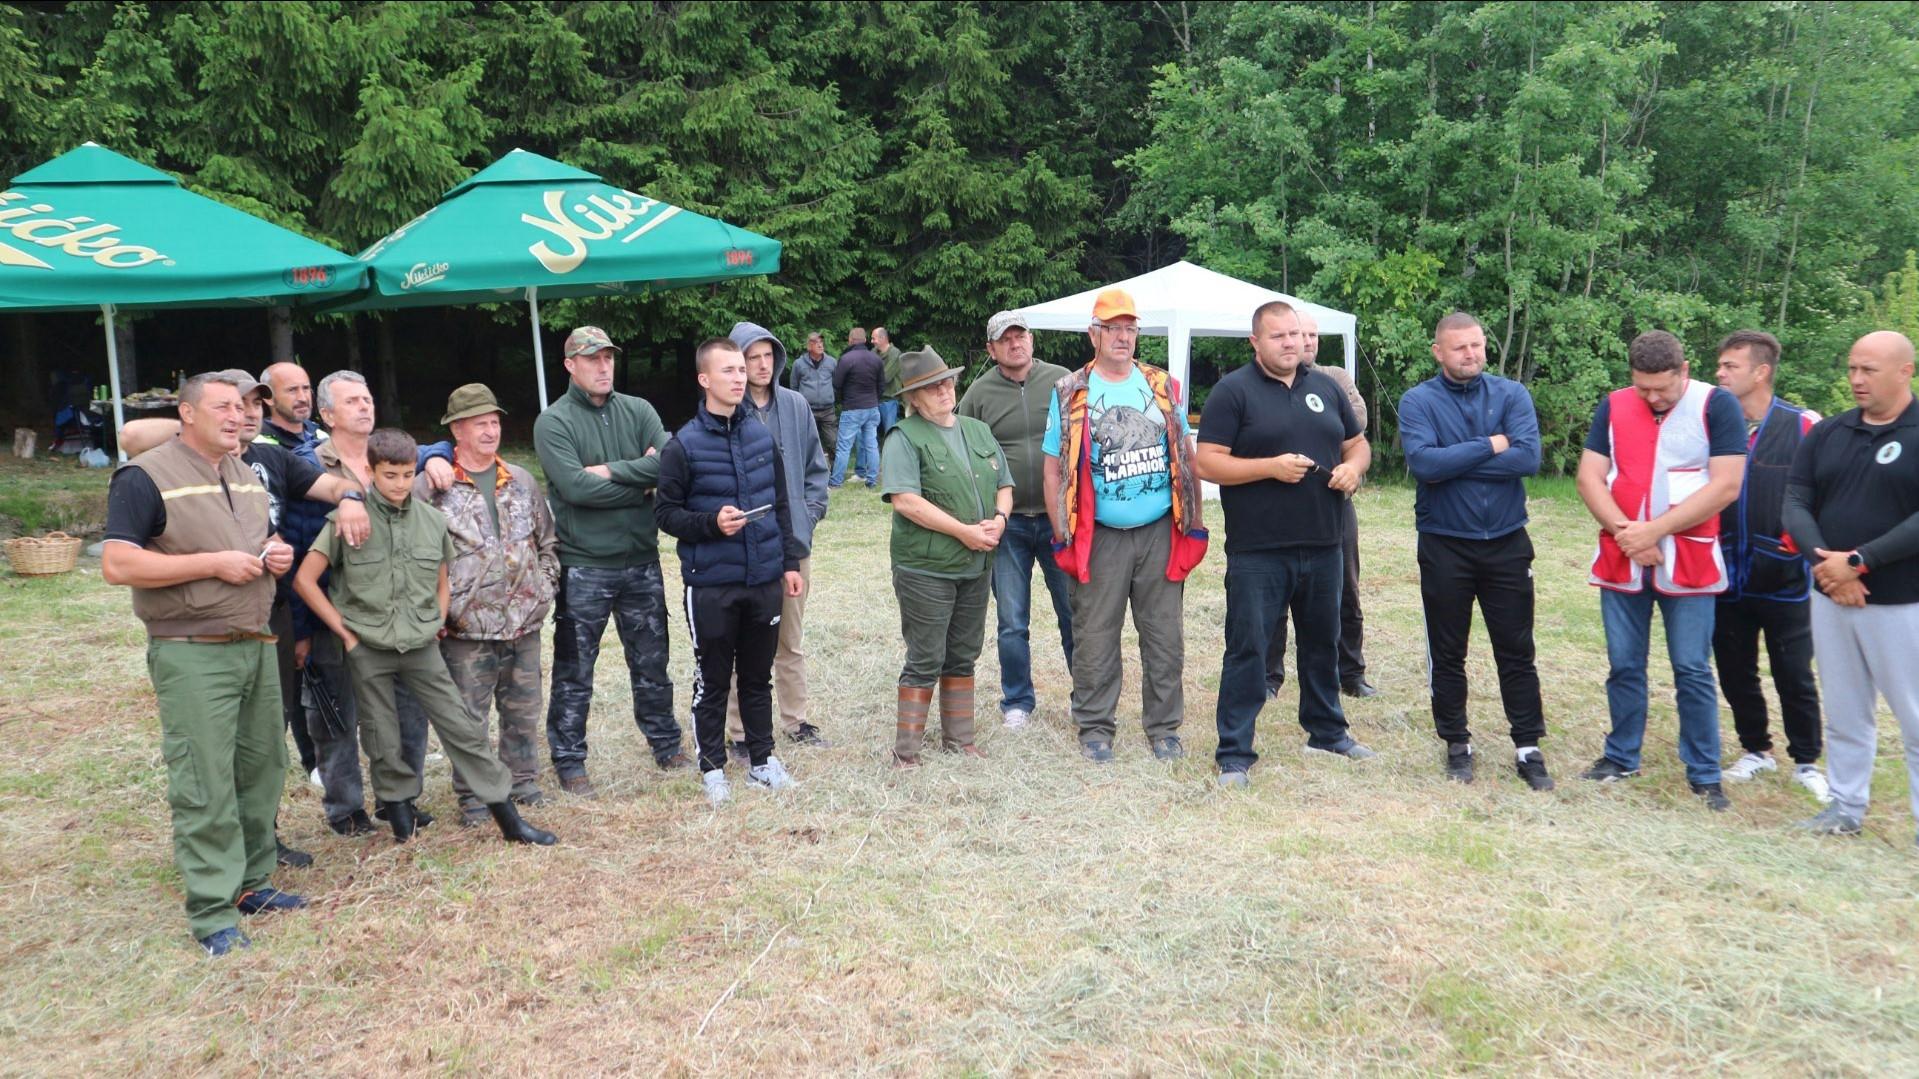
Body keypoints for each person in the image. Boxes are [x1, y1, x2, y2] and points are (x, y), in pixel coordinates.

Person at [117, 374, 374, 863]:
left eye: (255, 404)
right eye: (232, 406)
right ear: (197, 412)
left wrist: (350, 499)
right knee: (217, 748)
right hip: (198, 627)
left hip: (268, 614)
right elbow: (130, 439)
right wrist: (198, 425)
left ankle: (263, 842)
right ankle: (226, 857)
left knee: (264, 738)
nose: (246, 413)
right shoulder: (173, 464)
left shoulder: (272, 459)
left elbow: (333, 484)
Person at [101, 371, 308, 957]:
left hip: (254, 642)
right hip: (192, 651)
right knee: (205, 780)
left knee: (261, 768)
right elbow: (118, 564)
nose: (237, 416)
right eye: (222, 407)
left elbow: (256, 539)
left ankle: (252, 884)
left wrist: (275, 553)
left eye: (241, 409)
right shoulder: (146, 476)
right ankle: (213, 909)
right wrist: (212, 564)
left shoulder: (243, 474)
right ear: (187, 414)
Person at [293, 428, 558, 847]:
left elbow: (442, 579)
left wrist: (436, 619)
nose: (398, 485)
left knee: (462, 728)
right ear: (372, 473)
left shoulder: (432, 519)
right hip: (369, 648)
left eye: (404, 475)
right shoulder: (348, 519)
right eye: (388, 476)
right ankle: (401, 823)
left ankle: (508, 820)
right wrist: (345, 634)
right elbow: (306, 581)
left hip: (421, 646)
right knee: (381, 736)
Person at [1197, 301, 1371, 788]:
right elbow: (1206, 462)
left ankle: (1327, 732)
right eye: (1279, 336)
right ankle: (1235, 751)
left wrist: (1354, 468)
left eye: (1296, 334)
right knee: (1248, 649)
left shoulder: (1325, 387)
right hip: (1259, 549)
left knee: (1321, 643)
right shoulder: (1233, 391)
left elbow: (1356, 443)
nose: (1292, 343)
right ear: (1255, 342)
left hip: (1324, 541)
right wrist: (1268, 468)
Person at [1576, 330, 1746, 810]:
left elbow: (1726, 485)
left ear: (1684, 371)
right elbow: (1590, 476)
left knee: (1692, 667)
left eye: (1662, 389)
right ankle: (1621, 755)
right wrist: (1628, 533)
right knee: (1624, 664)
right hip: (1623, 559)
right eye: (1642, 387)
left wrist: (1655, 532)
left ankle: (1705, 772)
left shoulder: (1718, 406)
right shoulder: (1613, 405)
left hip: (1689, 561)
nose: (1651, 398)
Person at [1043, 288, 1208, 764]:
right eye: (1112, 328)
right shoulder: (1071, 390)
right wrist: (1061, 530)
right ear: (1094, 334)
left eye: (1130, 328)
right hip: (1099, 534)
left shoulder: (1161, 385)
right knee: (1095, 634)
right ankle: (1095, 728)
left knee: (1164, 635)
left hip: (1159, 529)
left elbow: (1184, 451)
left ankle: (1165, 729)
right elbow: (1053, 466)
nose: (1122, 337)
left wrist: (1194, 518)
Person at [1398, 313, 1551, 789]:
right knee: (1448, 650)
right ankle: (1456, 743)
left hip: (1506, 541)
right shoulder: (1418, 401)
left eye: (1478, 346)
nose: (1471, 354)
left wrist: (1457, 458)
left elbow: (1528, 458)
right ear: (1438, 351)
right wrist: (1490, 445)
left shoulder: (1511, 395)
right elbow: (1424, 463)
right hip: (1446, 543)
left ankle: (1528, 746)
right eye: (1460, 347)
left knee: (1517, 648)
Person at [534, 326, 689, 796]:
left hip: (641, 559)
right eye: (591, 359)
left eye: (608, 358)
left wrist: (612, 472)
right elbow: (575, 488)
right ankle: (568, 759)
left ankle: (666, 745)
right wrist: (638, 481)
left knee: (652, 663)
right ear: (570, 365)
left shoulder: (638, 409)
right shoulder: (553, 422)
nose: (603, 367)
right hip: (584, 566)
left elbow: (670, 463)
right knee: (575, 669)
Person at [654, 339, 807, 804]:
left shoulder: (761, 435)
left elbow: (780, 505)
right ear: (705, 380)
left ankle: (762, 760)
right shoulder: (683, 445)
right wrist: (710, 524)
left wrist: (789, 564)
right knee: (714, 680)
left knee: (757, 676)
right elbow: (665, 514)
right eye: (729, 371)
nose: (740, 377)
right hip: (712, 584)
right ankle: (712, 768)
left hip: (763, 579)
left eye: (742, 369)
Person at [1785, 331, 1919, 841]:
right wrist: (1828, 568)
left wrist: (1860, 562)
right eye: (1852, 369)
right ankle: (1845, 807)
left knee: (1915, 715)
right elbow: (1796, 502)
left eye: (1870, 370)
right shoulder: (1829, 432)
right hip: (1832, 596)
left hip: (1901, 601)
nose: (1857, 380)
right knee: (1843, 709)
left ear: (1905, 371)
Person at [282, 370, 430, 836]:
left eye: (367, 398)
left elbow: (440, 450)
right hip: (336, 612)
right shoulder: (307, 465)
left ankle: (399, 799)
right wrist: (303, 629)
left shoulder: (390, 458)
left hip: (400, 610)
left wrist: (442, 455)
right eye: (351, 401)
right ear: (327, 415)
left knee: (408, 710)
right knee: (337, 715)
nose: (365, 406)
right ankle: (345, 808)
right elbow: (300, 546)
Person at [409, 384, 560, 827]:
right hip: (464, 628)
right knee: (467, 719)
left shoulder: (521, 479)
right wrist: (439, 610)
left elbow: (547, 541)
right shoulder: (430, 487)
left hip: (523, 623)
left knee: (522, 710)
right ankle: (476, 799)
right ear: (457, 430)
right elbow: (418, 559)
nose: (491, 430)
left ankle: (523, 782)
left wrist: (543, 586)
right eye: (480, 424)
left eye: (494, 422)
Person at [1711, 330, 1829, 802]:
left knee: (1794, 673)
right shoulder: (1713, 424)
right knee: (1735, 669)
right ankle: (1756, 750)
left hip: (1783, 577)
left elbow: (1829, 494)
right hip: (1725, 574)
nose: (1719, 373)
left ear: (1761, 372)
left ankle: (1807, 761)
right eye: (1719, 365)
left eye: (1730, 366)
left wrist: (1795, 545)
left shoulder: (1804, 426)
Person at [882, 346, 1015, 765]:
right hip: (926, 567)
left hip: (975, 564)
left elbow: (1005, 484)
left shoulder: (977, 430)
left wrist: (1000, 519)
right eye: (930, 386)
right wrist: (964, 533)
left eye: (946, 381)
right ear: (913, 398)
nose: (943, 390)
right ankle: (907, 751)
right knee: (925, 656)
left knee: (963, 652)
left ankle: (960, 740)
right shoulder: (904, 438)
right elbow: (906, 501)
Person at [959, 311, 1074, 730]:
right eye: (1005, 339)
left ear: (1031, 340)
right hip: (1006, 524)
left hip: (1060, 518)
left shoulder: (1063, 380)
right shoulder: (977, 393)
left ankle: (1088, 694)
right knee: (1011, 619)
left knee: (1074, 611)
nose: (1015, 344)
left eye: (1020, 335)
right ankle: (1017, 701)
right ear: (991, 350)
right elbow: (961, 446)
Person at [724, 322, 832, 756]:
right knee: (740, 640)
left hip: (793, 545)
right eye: (753, 357)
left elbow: (814, 469)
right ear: (738, 362)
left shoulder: (796, 404)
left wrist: (806, 517)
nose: (762, 365)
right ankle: (736, 731)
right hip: (743, 546)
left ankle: (795, 719)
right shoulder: (727, 409)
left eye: (768, 356)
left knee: (790, 637)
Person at [1264, 310, 1376, 699]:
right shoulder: (1259, 384)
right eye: (1297, 333)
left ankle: (1351, 671)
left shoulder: (1336, 378)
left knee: (1346, 589)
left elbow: (1356, 422)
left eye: (1311, 334)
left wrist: (1350, 466)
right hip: (1279, 503)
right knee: (1275, 594)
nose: (1305, 341)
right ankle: (1269, 676)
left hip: (1333, 501)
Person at [830, 328, 884, 489]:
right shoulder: (876, 359)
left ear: (850, 340)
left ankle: (836, 482)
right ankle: (872, 480)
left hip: (853, 407)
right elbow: (881, 385)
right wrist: (874, 399)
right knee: (872, 445)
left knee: (844, 447)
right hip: (872, 407)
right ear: (865, 340)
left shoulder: (846, 359)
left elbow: (836, 384)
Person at [788, 331, 840, 455]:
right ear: (809, 346)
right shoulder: (798, 364)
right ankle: (808, 471)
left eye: (821, 342)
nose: (820, 345)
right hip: (807, 410)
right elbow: (794, 386)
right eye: (816, 342)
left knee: (834, 442)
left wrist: (829, 396)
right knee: (807, 443)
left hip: (828, 410)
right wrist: (801, 404)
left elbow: (836, 384)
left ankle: (835, 473)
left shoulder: (832, 362)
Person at [874, 326, 904, 434]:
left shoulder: (895, 353)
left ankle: (891, 451)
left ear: (882, 338)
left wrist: (871, 375)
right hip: (874, 400)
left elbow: (886, 377)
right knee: (870, 434)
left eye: (874, 339)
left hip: (889, 400)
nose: (872, 341)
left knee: (890, 433)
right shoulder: (873, 352)